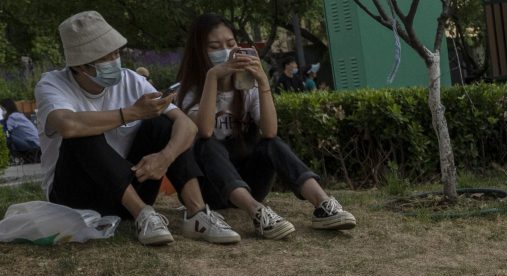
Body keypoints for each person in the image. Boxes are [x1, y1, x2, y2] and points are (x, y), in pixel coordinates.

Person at [34, 10, 239, 246]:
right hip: (76, 197)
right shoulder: (51, 84)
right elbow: (68, 125)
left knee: (163, 122)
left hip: (128, 186)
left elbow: (187, 125)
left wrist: (165, 157)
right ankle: (143, 214)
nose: (114, 61)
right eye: (105, 58)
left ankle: (197, 214)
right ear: (81, 67)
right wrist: (133, 112)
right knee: (80, 132)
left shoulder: (131, 79)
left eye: (116, 53)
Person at [175, 14, 356, 239]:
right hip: (211, 188)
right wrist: (212, 78)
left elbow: (270, 131)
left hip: (250, 182)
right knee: (208, 144)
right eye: (214, 46)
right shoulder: (189, 91)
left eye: (231, 44)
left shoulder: (245, 85)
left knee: (271, 143)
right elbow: (205, 131)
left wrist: (262, 82)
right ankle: (257, 213)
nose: (225, 51)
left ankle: (323, 204)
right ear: (199, 51)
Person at [2, 98, 42, 164]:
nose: (2, 111)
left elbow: (6, 130)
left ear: (6, 107)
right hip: (36, 143)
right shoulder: (18, 115)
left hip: (32, 144)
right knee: (9, 135)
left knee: (7, 136)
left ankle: (11, 159)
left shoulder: (13, 117)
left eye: (2, 108)